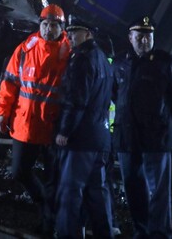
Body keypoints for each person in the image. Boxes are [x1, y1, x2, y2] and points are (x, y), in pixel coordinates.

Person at [0, 3, 70, 235]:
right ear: (40, 24)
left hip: (52, 128)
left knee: (52, 181)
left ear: (62, 27)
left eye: (54, 26)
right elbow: (9, 83)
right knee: (19, 171)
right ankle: (44, 208)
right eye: (45, 24)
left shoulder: (70, 52)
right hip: (26, 124)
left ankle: (49, 225)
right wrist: (2, 113)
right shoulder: (26, 48)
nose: (49, 29)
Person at [114, 16, 172, 239]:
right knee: (132, 187)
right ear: (130, 37)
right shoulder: (120, 62)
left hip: (155, 137)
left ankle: (159, 234)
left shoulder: (166, 62)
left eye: (148, 36)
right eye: (140, 36)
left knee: (157, 190)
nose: (144, 41)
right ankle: (142, 230)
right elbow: (113, 93)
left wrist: (167, 123)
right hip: (127, 136)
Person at [54, 16, 115, 238]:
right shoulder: (102, 58)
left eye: (75, 32)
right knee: (98, 192)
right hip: (100, 138)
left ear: (88, 34)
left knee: (70, 192)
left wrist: (64, 131)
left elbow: (76, 100)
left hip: (80, 139)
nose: (69, 36)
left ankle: (67, 234)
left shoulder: (81, 60)